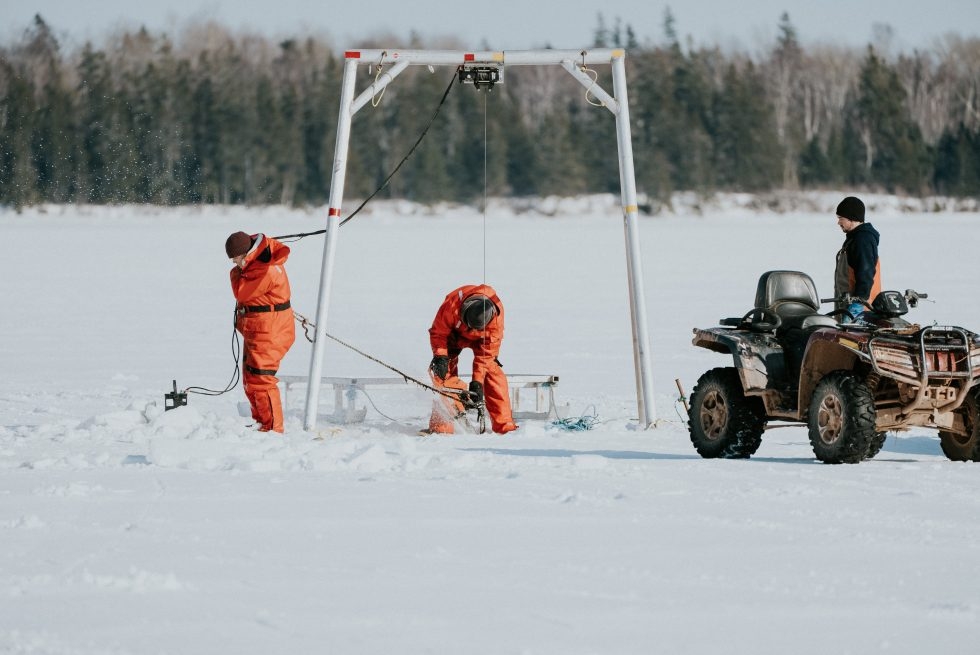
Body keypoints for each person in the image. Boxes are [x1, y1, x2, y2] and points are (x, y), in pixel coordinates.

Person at [226, 231, 296, 433]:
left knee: (261, 379)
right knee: (250, 378)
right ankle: (261, 422)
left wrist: (237, 271)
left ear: (246, 254)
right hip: (260, 328)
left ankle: (273, 428)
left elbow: (241, 292)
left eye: (236, 259)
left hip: (271, 330)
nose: (234, 264)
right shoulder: (257, 261)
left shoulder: (265, 269)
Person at [427, 284, 518, 435]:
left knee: (492, 372)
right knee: (441, 374)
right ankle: (442, 428)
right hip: (453, 337)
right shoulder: (452, 304)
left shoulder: (495, 322)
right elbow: (438, 333)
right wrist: (440, 356)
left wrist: (477, 382)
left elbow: (486, 357)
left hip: (482, 341)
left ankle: (505, 427)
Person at [833, 196, 881, 322]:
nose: (838, 222)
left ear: (852, 218)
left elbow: (865, 273)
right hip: (847, 305)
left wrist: (858, 304)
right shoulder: (854, 238)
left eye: (840, 218)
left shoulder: (862, 240)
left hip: (860, 311)